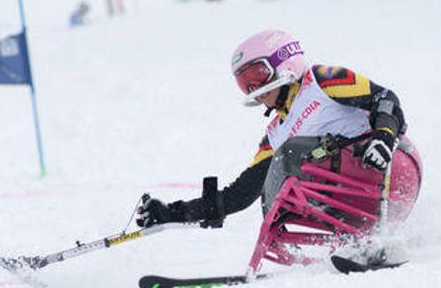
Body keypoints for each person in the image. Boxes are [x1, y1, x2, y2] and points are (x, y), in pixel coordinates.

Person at [135, 30, 422, 269]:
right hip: (352, 201)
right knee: (273, 184)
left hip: (392, 167)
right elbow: (239, 194)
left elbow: (386, 99)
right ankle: (362, 247)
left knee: (290, 155)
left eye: (257, 74)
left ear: (285, 62)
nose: (253, 88)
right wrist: (171, 213)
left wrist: (383, 137)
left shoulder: (322, 80)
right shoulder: (275, 134)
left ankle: (376, 244)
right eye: (244, 83)